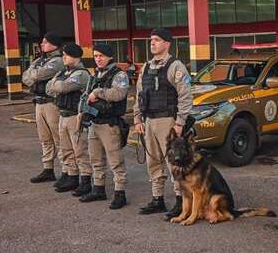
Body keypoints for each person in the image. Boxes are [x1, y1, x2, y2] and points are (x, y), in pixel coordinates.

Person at [134, 27, 193, 219]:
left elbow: (185, 97)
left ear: (167, 43)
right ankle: (157, 199)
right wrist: (137, 118)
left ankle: (179, 201)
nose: (152, 43)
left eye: (157, 40)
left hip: (168, 121)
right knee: (153, 162)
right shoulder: (146, 67)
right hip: (149, 120)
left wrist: (179, 123)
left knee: (173, 163)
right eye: (151, 40)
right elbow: (139, 95)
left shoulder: (176, 66)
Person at [79, 43, 130, 209]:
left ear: (109, 57)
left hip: (110, 124)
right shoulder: (96, 74)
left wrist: (98, 93)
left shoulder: (119, 74)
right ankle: (98, 189)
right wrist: (83, 111)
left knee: (116, 161)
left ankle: (120, 193)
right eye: (95, 56)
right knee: (96, 159)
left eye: (101, 56)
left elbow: (118, 94)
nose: (98, 59)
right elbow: (86, 95)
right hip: (95, 123)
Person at [46, 43, 92, 194]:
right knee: (65, 149)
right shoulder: (63, 73)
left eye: (66, 55)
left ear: (75, 56)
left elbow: (62, 88)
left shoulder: (81, 74)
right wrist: (56, 85)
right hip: (63, 115)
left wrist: (56, 85)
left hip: (75, 116)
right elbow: (48, 88)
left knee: (80, 150)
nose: (63, 57)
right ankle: (71, 176)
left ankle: (85, 180)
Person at [22, 32, 65, 184]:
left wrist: (33, 75)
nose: (42, 44)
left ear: (54, 44)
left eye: (45, 42)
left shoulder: (58, 60)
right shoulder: (40, 60)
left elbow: (41, 73)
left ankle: (67, 171)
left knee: (59, 138)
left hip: (52, 103)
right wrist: (34, 75)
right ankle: (48, 169)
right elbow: (25, 76)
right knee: (45, 138)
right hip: (39, 103)